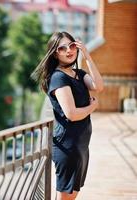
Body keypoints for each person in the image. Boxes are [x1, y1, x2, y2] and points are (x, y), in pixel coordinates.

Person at [30, 32, 104, 200]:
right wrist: (92, 107)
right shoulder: (58, 78)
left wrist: (87, 54)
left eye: (72, 46)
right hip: (68, 146)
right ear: (55, 53)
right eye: (62, 48)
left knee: (71, 196)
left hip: (81, 146)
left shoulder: (78, 73)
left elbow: (98, 86)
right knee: (65, 197)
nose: (69, 51)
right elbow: (71, 114)